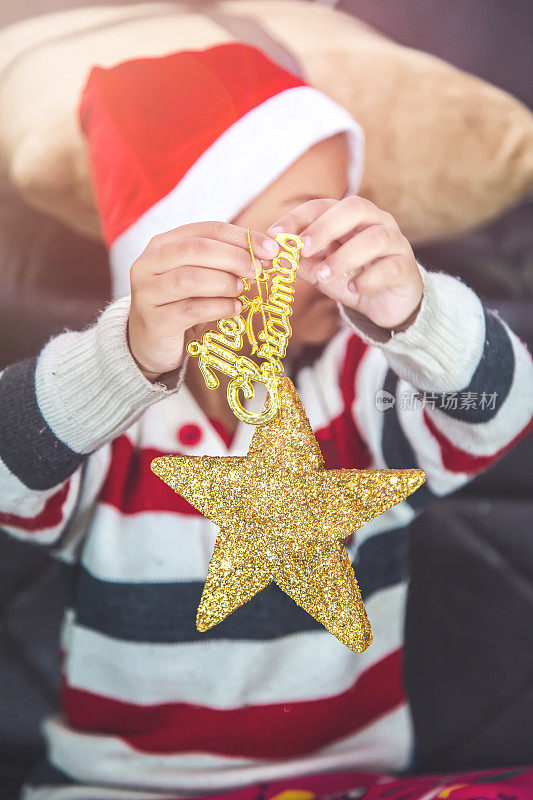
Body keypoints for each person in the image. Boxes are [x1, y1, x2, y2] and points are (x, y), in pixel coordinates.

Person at [1, 43, 532, 800]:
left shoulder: (357, 388)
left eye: (339, 214)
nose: (324, 253)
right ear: (189, 256)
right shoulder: (109, 421)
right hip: (123, 788)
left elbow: (496, 412)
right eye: (295, 226)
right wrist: (121, 357)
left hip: (346, 783)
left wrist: (416, 314)